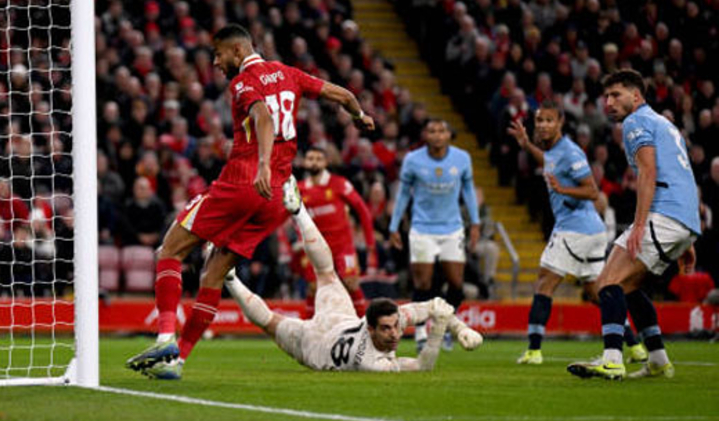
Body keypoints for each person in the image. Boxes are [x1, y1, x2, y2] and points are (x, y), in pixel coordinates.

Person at [126, 24, 374, 379]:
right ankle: (176, 361)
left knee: (169, 251)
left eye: (219, 54)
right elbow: (344, 94)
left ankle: (165, 336)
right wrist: (359, 117)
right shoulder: (289, 73)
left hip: (242, 182)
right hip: (274, 198)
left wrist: (260, 163)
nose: (215, 62)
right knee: (213, 274)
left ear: (238, 52)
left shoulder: (243, 81)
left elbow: (263, 116)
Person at [148, 177, 482, 378]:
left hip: (324, 338)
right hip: (328, 334)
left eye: (396, 327)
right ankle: (295, 214)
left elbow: (434, 308)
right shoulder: (378, 364)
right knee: (318, 279)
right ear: (370, 326)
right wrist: (449, 329)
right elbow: (425, 355)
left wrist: (455, 326)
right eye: (389, 328)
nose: (395, 334)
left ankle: (233, 277)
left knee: (276, 315)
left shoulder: (380, 346)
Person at [568, 70, 699, 380]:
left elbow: (648, 172)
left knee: (607, 283)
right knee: (630, 286)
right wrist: (687, 236)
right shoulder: (665, 123)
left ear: (636, 96)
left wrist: (640, 224)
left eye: (616, 95)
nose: (609, 102)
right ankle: (657, 360)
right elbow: (681, 174)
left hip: (663, 214)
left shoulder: (635, 121)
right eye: (606, 97)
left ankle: (612, 359)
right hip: (682, 217)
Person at [508, 101, 647, 365]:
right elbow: (548, 162)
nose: (543, 125)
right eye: (539, 120)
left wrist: (563, 190)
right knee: (598, 293)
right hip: (592, 232)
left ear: (560, 123)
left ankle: (534, 351)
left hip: (574, 230)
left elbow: (592, 191)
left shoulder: (570, 153)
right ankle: (635, 346)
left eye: (549, 120)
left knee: (545, 283)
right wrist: (526, 145)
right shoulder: (554, 151)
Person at [388, 119, 480, 351]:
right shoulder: (413, 160)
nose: (437, 135)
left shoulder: (462, 159)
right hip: (422, 229)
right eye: (432, 131)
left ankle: (443, 326)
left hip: (452, 229)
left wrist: (476, 223)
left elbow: (468, 191)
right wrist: (394, 225)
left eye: (442, 131)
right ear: (425, 135)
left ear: (449, 134)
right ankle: (420, 333)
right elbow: (403, 195)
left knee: (457, 285)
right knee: (423, 283)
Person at [296, 146, 377, 317]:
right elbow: (288, 217)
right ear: (304, 162)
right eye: (310, 158)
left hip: (342, 245)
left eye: (318, 158)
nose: (314, 162)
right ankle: (308, 332)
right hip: (315, 246)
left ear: (326, 162)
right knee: (312, 288)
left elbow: (362, 210)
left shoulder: (340, 184)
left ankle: (365, 327)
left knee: (351, 283)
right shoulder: (299, 189)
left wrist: (370, 244)